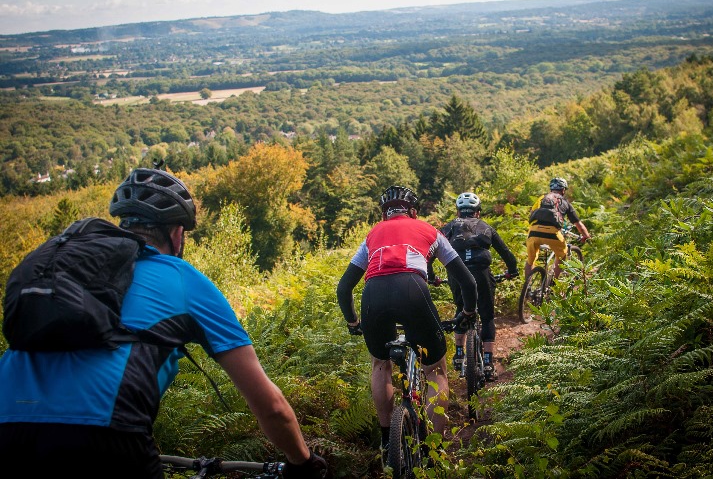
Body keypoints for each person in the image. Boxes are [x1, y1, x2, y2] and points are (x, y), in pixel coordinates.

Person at [0, 167, 329, 479]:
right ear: (177, 233)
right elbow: (269, 404)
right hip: (105, 432)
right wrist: (303, 461)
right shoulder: (183, 279)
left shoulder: (72, 273)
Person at [336, 185, 478, 457]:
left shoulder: (372, 235)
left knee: (381, 364)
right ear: (413, 211)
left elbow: (344, 289)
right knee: (436, 371)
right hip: (412, 289)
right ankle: (432, 449)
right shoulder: (429, 230)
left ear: (385, 213)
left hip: (373, 294)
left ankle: (388, 438)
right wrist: (468, 312)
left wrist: (353, 322)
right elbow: (467, 281)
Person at [437, 192, 518, 380]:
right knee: (487, 314)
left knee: (461, 308)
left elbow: (432, 252)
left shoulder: (448, 227)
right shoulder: (486, 227)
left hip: (457, 274)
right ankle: (488, 362)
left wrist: (431, 276)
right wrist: (512, 271)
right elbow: (506, 253)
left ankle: (459, 354)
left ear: (458, 212)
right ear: (478, 212)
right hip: (481, 274)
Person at [526, 177, 591, 281]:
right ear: (563, 190)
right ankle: (553, 283)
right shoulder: (565, 202)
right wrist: (586, 236)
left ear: (551, 189)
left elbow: (532, 213)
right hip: (553, 233)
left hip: (533, 231)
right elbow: (578, 224)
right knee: (562, 255)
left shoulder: (542, 198)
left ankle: (527, 289)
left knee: (530, 261)